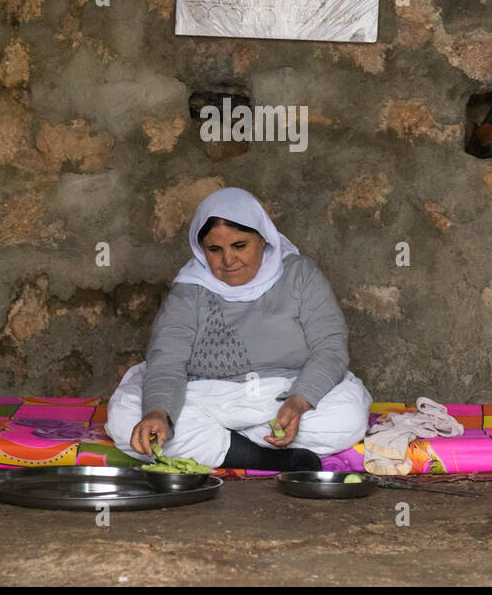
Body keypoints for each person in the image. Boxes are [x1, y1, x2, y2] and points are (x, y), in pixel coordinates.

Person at [105, 187, 372, 471]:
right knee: (126, 421)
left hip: (282, 393)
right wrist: (158, 412)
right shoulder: (190, 289)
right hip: (202, 394)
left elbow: (330, 347)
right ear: (200, 248)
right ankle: (261, 455)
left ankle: (222, 442)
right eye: (214, 249)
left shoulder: (300, 275)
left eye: (240, 246)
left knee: (347, 418)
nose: (228, 261)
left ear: (263, 239)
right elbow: (168, 359)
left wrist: (299, 401)